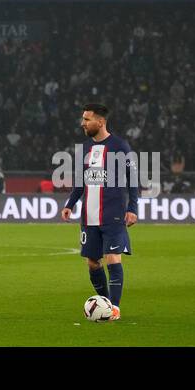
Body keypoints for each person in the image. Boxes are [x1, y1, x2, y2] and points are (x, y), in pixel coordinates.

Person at [61, 104, 139, 321]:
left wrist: (132, 208)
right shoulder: (85, 148)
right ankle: (104, 305)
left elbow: (133, 180)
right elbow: (80, 182)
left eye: (87, 119)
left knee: (113, 258)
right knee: (93, 262)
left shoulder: (120, 146)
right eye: (83, 119)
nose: (82, 123)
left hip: (113, 214)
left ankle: (115, 309)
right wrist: (70, 204)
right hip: (89, 216)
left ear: (101, 122)